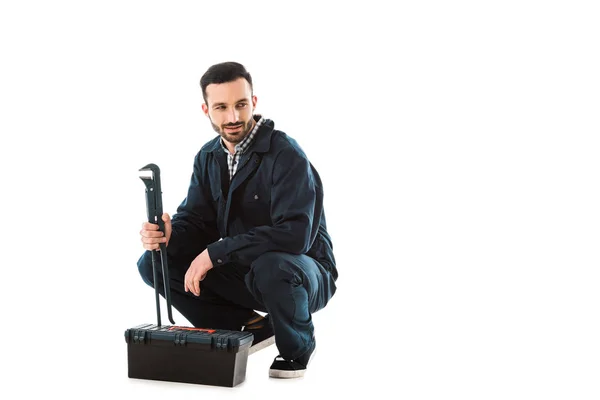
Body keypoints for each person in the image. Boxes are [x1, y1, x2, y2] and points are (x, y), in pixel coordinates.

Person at [137, 61, 338, 379]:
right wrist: (171, 234)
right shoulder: (208, 157)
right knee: (153, 262)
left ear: (253, 103)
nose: (232, 117)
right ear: (206, 110)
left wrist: (215, 254)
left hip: (303, 274)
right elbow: (199, 222)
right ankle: (249, 325)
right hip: (247, 274)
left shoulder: (286, 155)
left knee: (272, 265)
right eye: (221, 107)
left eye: (240, 104)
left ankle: (296, 348)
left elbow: (295, 235)